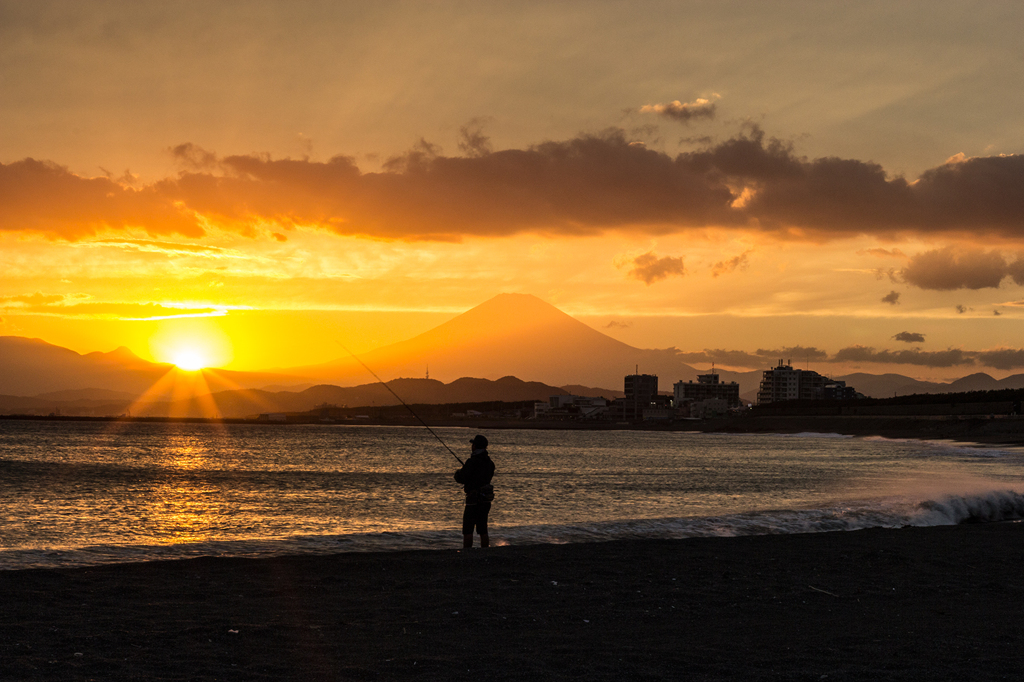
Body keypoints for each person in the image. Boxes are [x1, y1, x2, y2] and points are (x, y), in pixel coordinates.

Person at [454, 434, 495, 548]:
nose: (471, 446)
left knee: (468, 529)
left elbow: (461, 478)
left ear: (475, 446)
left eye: (473, 444)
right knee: (483, 529)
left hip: (473, 499)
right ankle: (485, 551)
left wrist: (457, 473)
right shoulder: (490, 463)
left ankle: (467, 553)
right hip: (486, 500)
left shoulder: (471, 462)